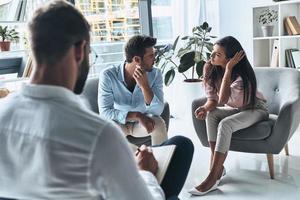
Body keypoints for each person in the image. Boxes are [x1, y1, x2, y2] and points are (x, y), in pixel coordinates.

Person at [0, 1, 193, 200]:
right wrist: (145, 173)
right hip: (122, 137)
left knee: (178, 143)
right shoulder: (98, 136)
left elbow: (157, 108)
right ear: (79, 50)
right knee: (182, 152)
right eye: (90, 52)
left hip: (134, 130)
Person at [188, 36, 269, 196]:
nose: (211, 56)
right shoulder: (209, 68)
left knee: (225, 124)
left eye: (217, 55)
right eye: (213, 52)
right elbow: (213, 100)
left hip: (256, 109)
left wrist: (229, 69)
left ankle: (212, 177)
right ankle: (217, 169)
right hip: (239, 110)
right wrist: (204, 108)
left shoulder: (241, 77)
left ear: (230, 59)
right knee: (211, 114)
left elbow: (223, 99)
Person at [98, 35, 168, 146]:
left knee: (158, 123)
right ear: (137, 59)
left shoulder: (155, 74)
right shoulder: (108, 75)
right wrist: (137, 115)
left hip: (141, 125)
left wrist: (145, 86)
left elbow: (158, 111)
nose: (155, 58)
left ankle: (162, 160)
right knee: (107, 129)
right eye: (151, 56)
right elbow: (105, 112)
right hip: (119, 123)